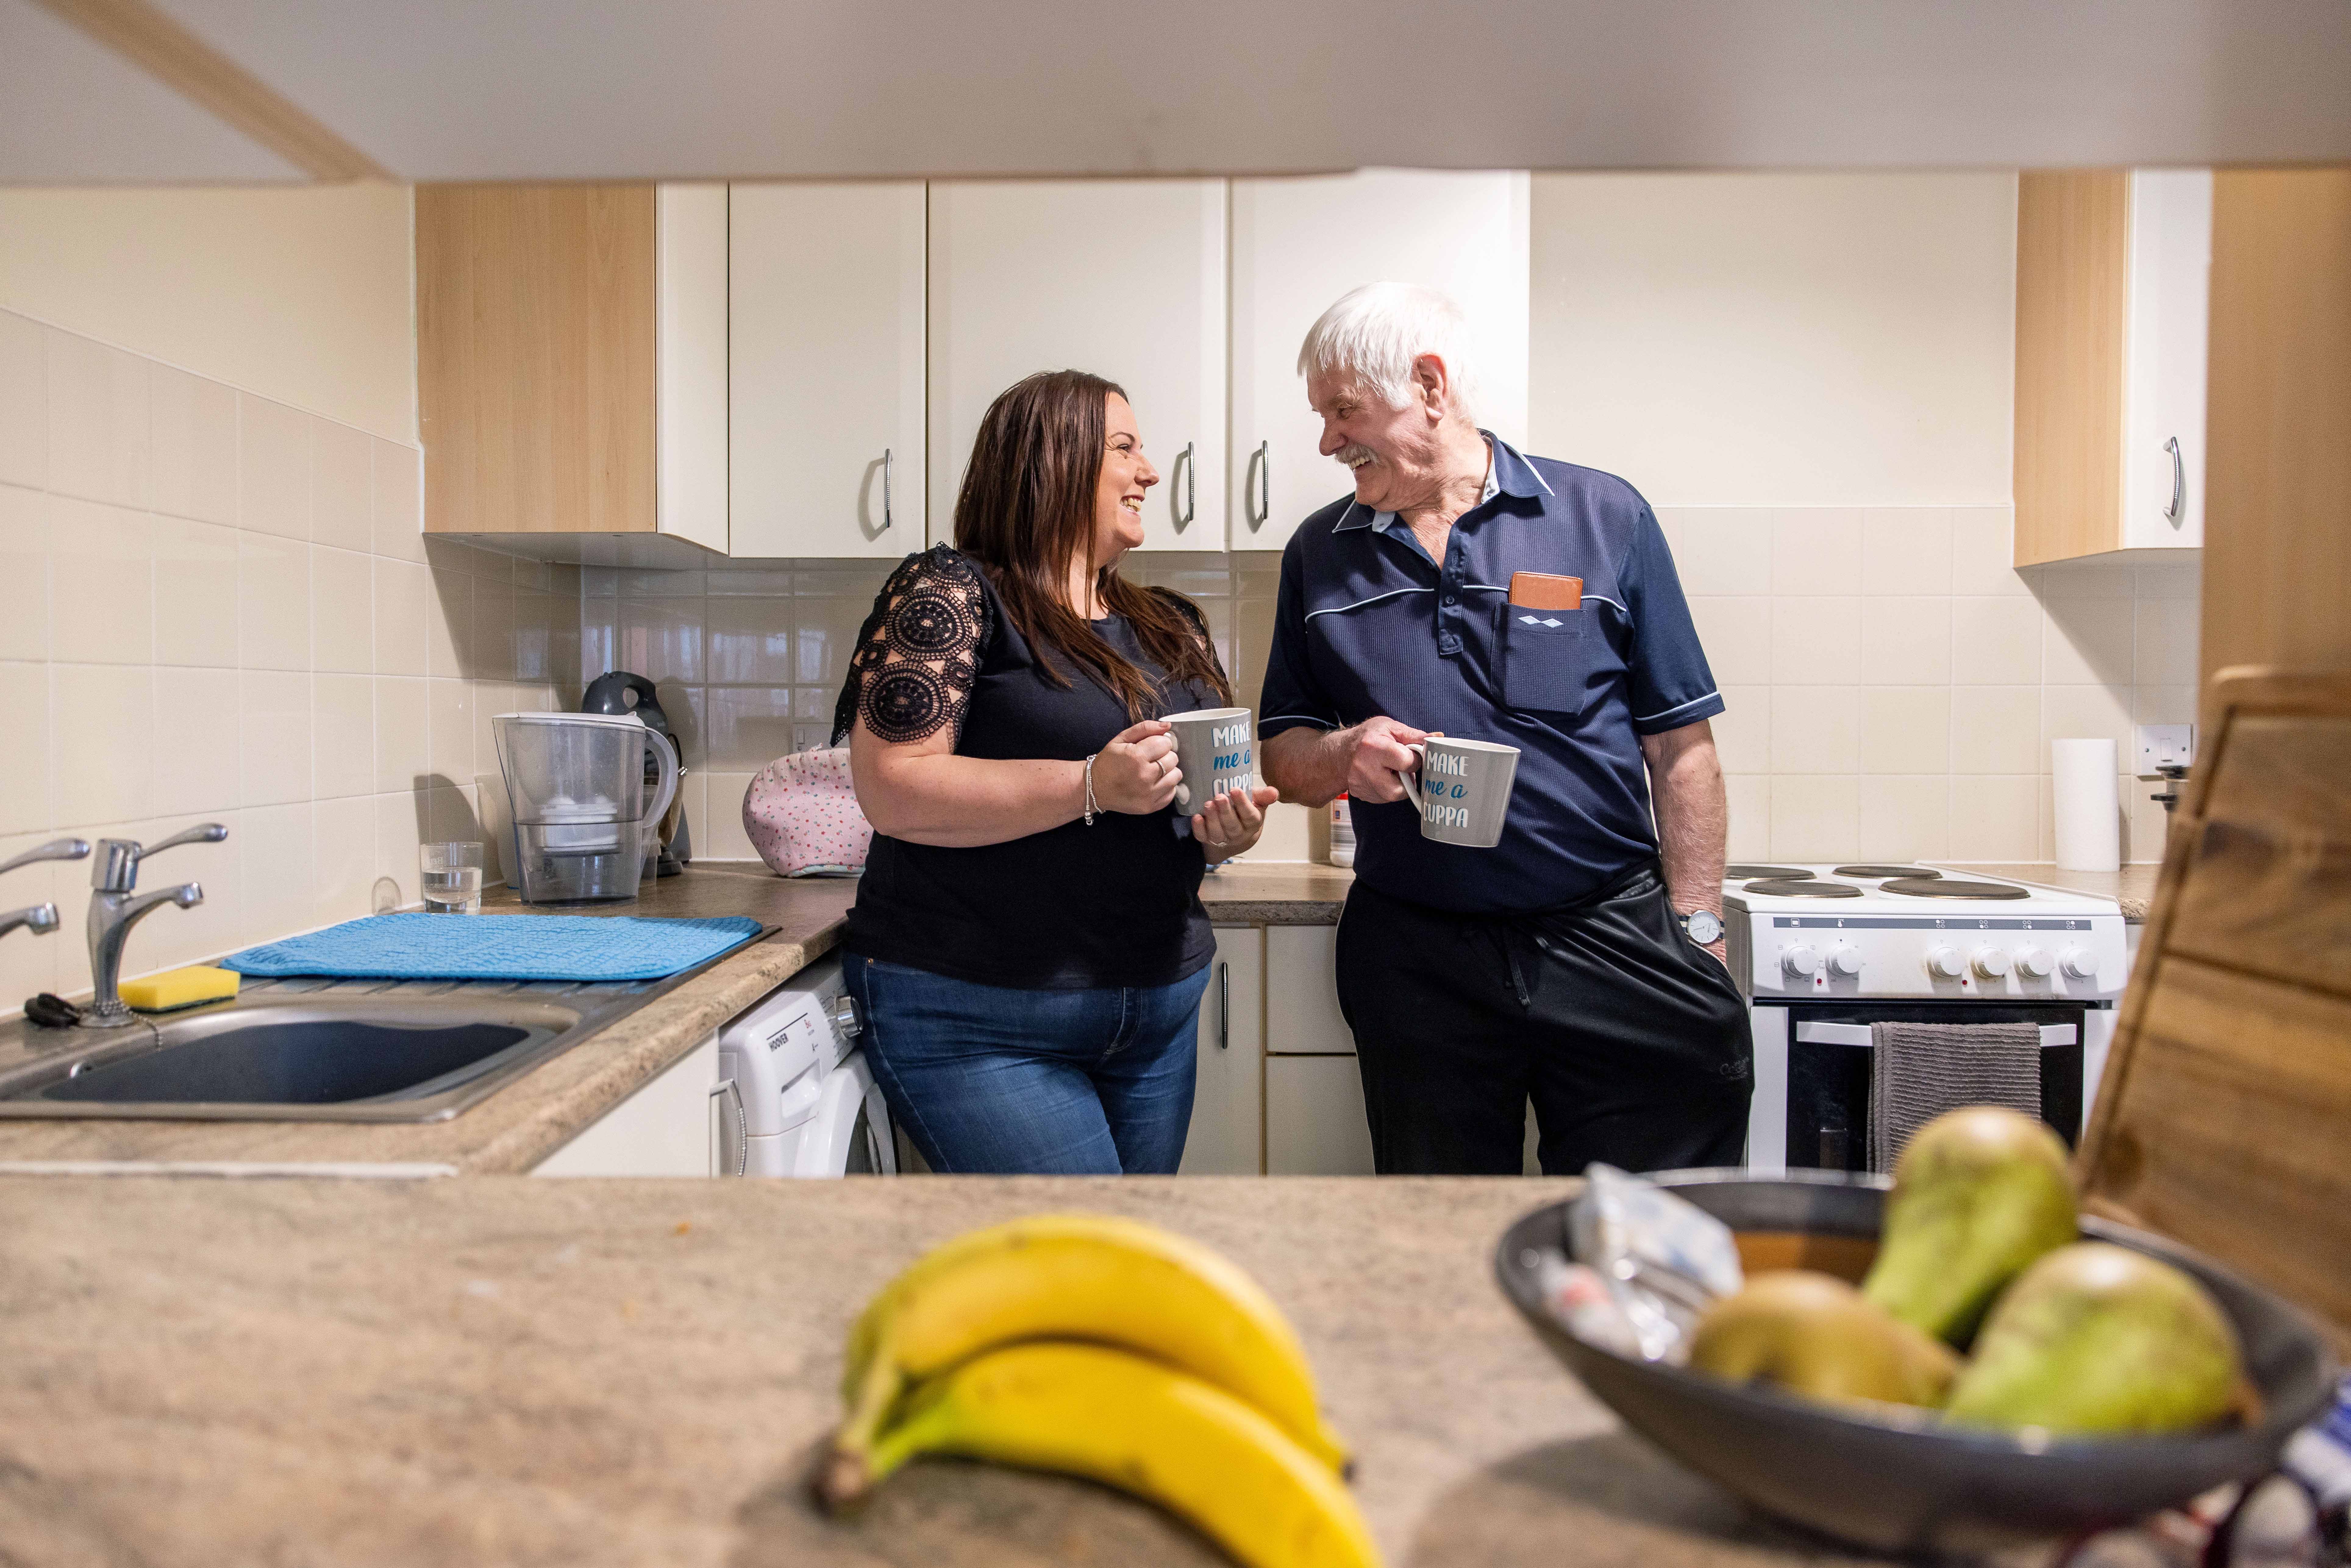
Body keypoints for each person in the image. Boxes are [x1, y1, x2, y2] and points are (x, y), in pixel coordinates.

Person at [1256, 283, 1750, 1177]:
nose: (1327, 440)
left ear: (1430, 387)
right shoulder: (1319, 554)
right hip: (1416, 956)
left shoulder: (1604, 517)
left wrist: (1700, 927)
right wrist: (1339, 755)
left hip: (1609, 932)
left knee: (1643, 1227)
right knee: (1437, 1232)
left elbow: (1681, 748)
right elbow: (1283, 754)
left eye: (1343, 410)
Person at [834, 369, 1282, 1174]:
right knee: (1081, 1270)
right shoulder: (953, 594)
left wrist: (1228, 829)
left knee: (1119, 1268)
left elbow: (1198, 810)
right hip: (975, 1013)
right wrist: (1089, 786)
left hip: (1157, 1010)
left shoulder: (1172, 622)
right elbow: (893, 787)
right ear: (1055, 462)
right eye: (1125, 448)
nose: (1150, 471)